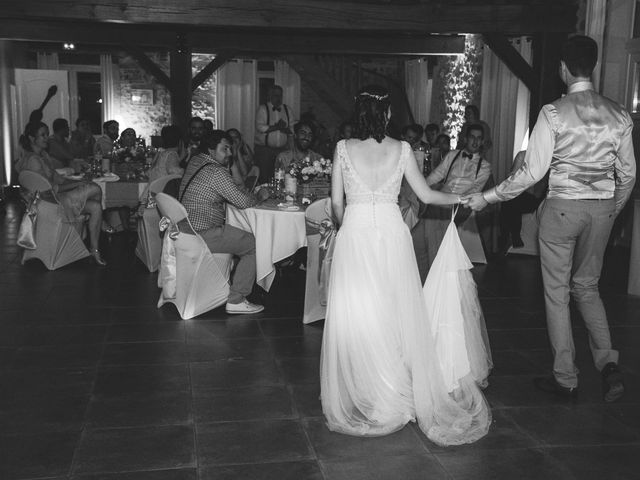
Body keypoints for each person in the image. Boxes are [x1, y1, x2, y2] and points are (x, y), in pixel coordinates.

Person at [466, 35, 636, 403]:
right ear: (591, 66)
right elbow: (629, 174)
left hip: (562, 209)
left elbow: (531, 173)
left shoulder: (554, 112)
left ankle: (566, 377)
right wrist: (612, 208)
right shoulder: (620, 113)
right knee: (588, 287)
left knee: (557, 294)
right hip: (603, 209)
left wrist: (488, 196)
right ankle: (608, 365)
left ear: (563, 68)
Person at [321, 85, 490, 444]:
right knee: (394, 309)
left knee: (361, 311)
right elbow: (426, 195)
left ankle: (374, 388)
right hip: (392, 233)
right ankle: (394, 384)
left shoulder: (342, 149)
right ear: (385, 115)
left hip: (355, 234)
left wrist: (344, 223)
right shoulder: (402, 149)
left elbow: (336, 204)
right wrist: (465, 197)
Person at [179, 130, 270, 315]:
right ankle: (237, 299)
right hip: (201, 234)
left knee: (237, 231)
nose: (229, 153)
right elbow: (243, 201)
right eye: (225, 148)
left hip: (183, 229)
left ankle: (228, 280)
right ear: (211, 149)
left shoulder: (196, 161)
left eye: (230, 148)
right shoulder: (216, 171)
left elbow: (233, 190)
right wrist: (260, 196)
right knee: (255, 244)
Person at [16, 122, 106, 266]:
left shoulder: (43, 155)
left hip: (54, 199)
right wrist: (77, 184)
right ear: (32, 138)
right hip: (49, 204)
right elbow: (51, 189)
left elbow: (58, 179)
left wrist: (79, 180)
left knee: (96, 207)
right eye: (43, 135)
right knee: (95, 188)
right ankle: (96, 227)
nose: (46, 138)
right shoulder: (33, 160)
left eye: (47, 134)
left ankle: (94, 249)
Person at [412, 125, 491, 282]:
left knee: (431, 229)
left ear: (482, 141)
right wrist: (420, 189)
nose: (475, 141)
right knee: (415, 240)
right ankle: (423, 280)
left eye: (479, 138)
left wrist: (450, 200)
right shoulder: (453, 155)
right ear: (465, 139)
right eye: (472, 137)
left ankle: (432, 281)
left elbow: (474, 192)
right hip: (440, 201)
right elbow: (436, 175)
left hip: (460, 206)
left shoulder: (485, 166)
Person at [498, 150, 548, 253]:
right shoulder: (522, 155)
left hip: (542, 196)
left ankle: (506, 238)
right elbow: (512, 179)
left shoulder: (548, 156)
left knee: (511, 202)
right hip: (522, 194)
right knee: (509, 200)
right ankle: (511, 237)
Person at [254, 85, 294, 183]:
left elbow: (293, 129)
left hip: (283, 150)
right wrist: (277, 127)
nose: (278, 98)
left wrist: (283, 128)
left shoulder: (287, 109)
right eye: (276, 95)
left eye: (280, 95)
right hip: (265, 150)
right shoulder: (263, 109)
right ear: (270, 96)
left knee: (282, 176)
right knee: (264, 176)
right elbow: (260, 127)